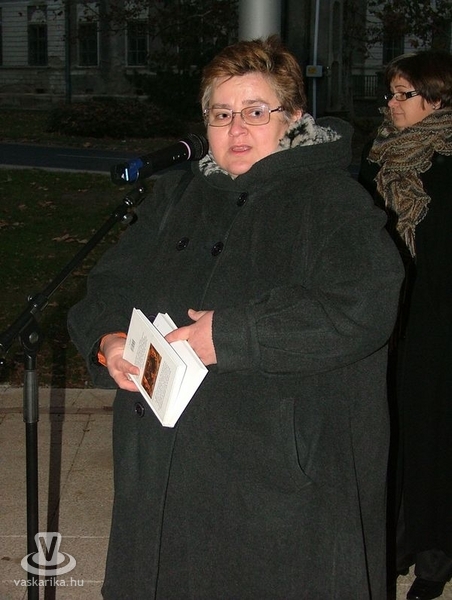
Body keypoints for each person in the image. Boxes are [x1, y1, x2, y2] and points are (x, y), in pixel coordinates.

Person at [68, 35, 403, 599]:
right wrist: (109, 339)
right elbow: (109, 283)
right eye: (222, 114)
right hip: (162, 462)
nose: (237, 129)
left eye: (255, 111)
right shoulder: (179, 195)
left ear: (293, 118)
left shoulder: (330, 200)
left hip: (274, 474)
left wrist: (229, 336)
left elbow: (364, 306)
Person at [359, 50, 452, 600]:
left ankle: (435, 558)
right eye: (390, 94)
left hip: (438, 323)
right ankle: (392, 545)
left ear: (436, 100)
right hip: (383, 319)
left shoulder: (449, 162)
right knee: (386, 431)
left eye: (403, 95)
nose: (391, 105)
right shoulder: (376, 158)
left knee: (433, 435)